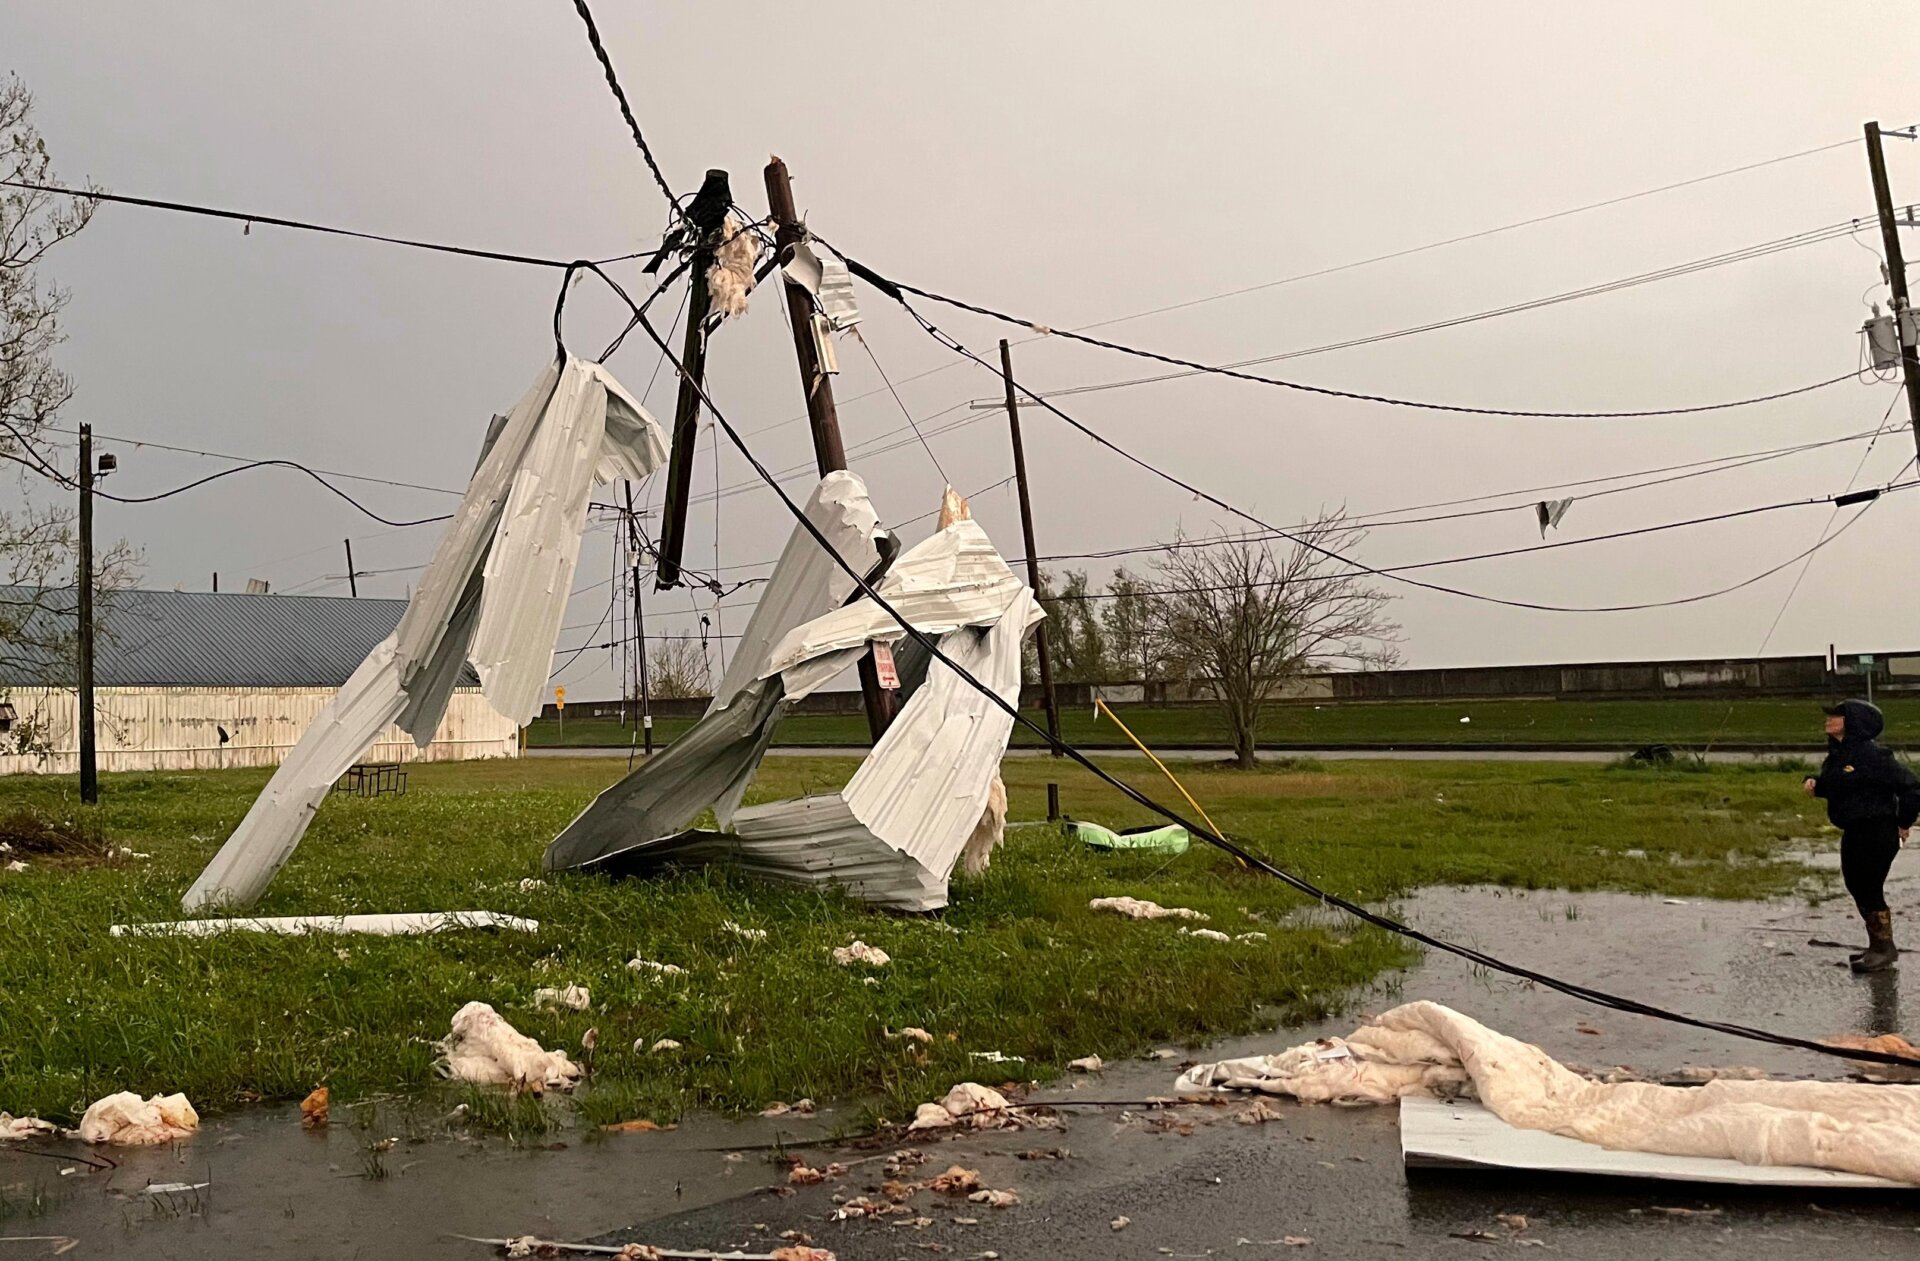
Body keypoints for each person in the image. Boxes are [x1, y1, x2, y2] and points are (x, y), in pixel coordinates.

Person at [1805, 699, 1920, 973]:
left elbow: (1912, 787)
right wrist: (1815, 784)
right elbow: (1842, 786)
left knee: (1869, 887)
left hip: (1877, 830)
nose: (1829, 720)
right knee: (1856, 885)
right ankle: (1877, 945)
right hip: (1854, 830)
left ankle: (1883, 950)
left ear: (1854, 723)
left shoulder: (1874, 756)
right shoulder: (1840, 755)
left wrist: (1904, 822)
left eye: (1836, 716)